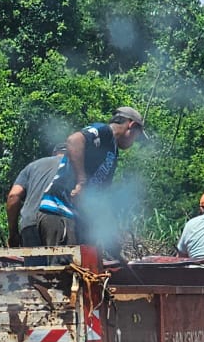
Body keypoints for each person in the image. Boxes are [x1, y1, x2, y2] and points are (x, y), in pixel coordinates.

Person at [34, 106, 149, 250]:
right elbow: (74, 140)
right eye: (136, 136)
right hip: (59, 210)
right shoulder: (105, 131)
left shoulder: (112, 150)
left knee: (83, 268)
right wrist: (81, 182)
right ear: (131, 126)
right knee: (65, 268)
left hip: (74, 217)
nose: (134, 141)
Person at [6, 144, 66, 248]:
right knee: (59, 263)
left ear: (54, 153)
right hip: (57, 221)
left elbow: (13, 196)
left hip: (30, 223)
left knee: (34, 264)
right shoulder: (73, 166)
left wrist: (13, 233)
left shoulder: (31, 167)